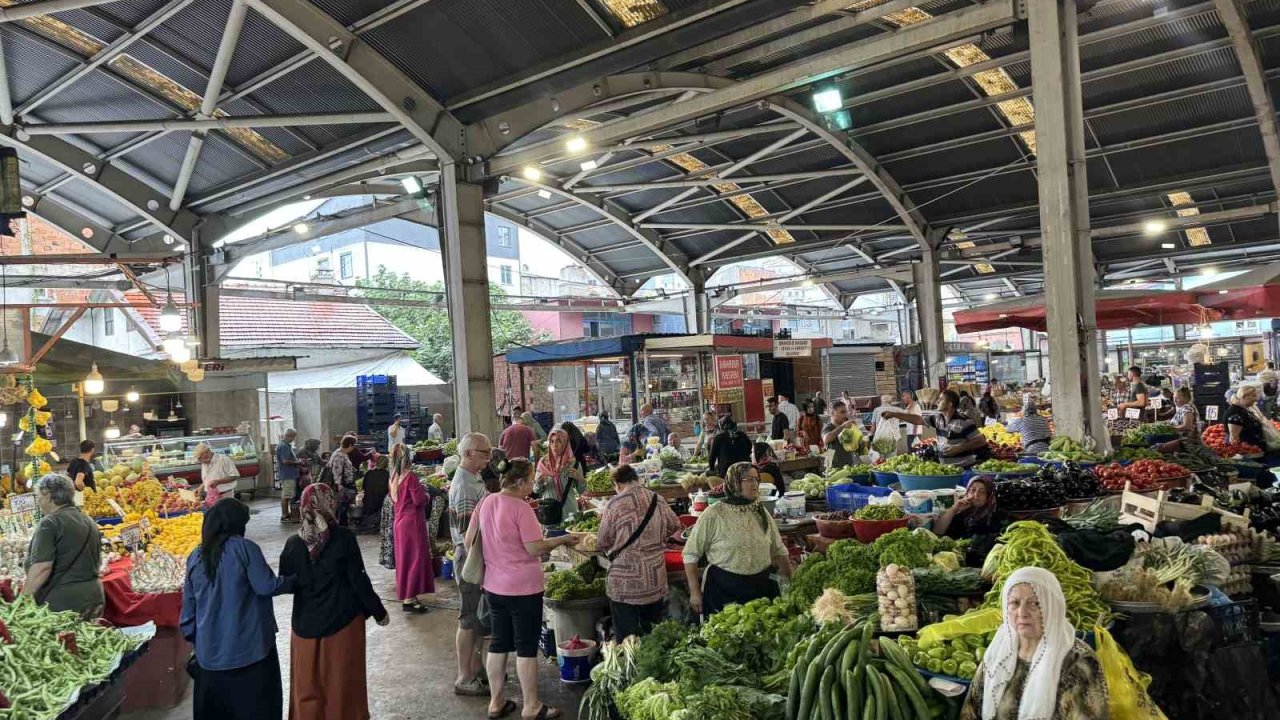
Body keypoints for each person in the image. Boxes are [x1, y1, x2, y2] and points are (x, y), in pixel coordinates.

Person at [466, 457, 580, 720]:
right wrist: (561, 539)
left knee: (499, 643)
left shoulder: (486, 501)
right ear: (519, 482)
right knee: (526, 647)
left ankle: (496, 703)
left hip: (494, 586)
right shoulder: (521, 508)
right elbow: (534, 548)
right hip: (523, 588)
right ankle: (531, 706)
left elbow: (471, 539)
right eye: (530, 480)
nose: (532, 484)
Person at [280, 484, 388, 720]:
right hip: (343, 625)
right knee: (342, 686)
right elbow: (358, 580)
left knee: (307, 687)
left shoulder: (293, 543)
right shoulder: (344, 538)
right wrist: (378, 611)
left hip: (305, 627)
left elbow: (286, 582)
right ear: (330, 503)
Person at [181, 499, 291, 720]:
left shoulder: (195, 556)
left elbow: (187, 617)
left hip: (210, 662)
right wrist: (296, 580)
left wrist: (202, 644)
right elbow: (266, 586)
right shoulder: (244, 548)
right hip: (251, 656)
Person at [960, 567, 1109, 720]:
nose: (1022, 612)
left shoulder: (1078, 662)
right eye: (1014, 603)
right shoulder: (998, 652)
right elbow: (970, 711)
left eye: (1034, 603)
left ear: (1053, 606)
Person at [683, 462, 792, 617]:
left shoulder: (760, 512)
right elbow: (690, 555)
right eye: (748, 479)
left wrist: (790, 580)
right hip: (724, 590)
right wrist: (694, 592)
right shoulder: (714, 514)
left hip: (761, 590)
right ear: (734, 482)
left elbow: (779, 550)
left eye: (756, 479)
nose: (754, 484)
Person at [597, 464, 681, 642]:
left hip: (625, 584)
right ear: (636, 478)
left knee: (628, 640)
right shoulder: (657, 499)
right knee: (652, 637)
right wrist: (657, 538)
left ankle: (630, 668)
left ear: (617, 484)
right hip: (654, 579)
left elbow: (602, 541)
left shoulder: (615, 503)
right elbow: (675, 525)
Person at [23, 473, 103, 619]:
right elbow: (97, 563)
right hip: (94, 596)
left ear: (47, 495)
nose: (39, 502)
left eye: (39, 496)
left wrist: (23, 601)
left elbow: (42, 567)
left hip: (64, 604)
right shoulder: (89, 521)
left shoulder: (50, 523)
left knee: (65, 641)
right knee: (87, 640)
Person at [450, 433, 492, 696]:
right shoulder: (464, 485)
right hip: (471, 559)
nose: (489, 458)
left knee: (477, 619)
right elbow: (469, 537)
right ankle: (464, 677)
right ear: (468, 454)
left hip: (476, 557)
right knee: (468, 619)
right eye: (484, 453)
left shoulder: (474, 478)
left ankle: (476, 668)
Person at [884, 390, 991, 468]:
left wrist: (959, 448)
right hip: (946, 469)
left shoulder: (964, 421)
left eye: (940, 400)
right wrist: (894, 414)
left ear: (949, 404)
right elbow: (918, 420)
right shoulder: (937, 418)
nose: (937, 402)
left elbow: (981, 440)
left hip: (964, 468)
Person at [389, 444, 434, 613]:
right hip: (412, 523)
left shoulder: (393, 478)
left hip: (399, 522)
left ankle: (409, 595)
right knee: (416, 559)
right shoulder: (411, 477)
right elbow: (419, 500)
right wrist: (427, 494)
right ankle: (409, 598)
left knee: (404, 560)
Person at [535, 428, 586, 527]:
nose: (555, 445)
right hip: (549, 512)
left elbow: (581, 491)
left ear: (566, 444)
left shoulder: (573, 464)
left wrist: (581, 479)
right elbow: (536, 490)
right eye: (552, 441)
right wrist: (539, 483)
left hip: (569, 512)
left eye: (559, 441)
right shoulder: (543, 464)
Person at [934, 476, 1002, 539]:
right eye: (972, 490)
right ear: (967, 493)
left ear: (989, 496)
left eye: (982, 492)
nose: (976, 495)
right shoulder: (962, 512)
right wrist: (954, 509)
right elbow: (937, 532)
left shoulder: (994, 516)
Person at [197, 443, 241, 509]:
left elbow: (235, 476)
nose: (202, 461)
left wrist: (218, 482)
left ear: (207, 453)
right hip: (211, 497)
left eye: (202, 458)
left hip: (225, 496)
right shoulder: (205, 463)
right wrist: (201, 487)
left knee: (225, 516)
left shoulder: (223, 459)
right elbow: (209, 478)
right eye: (200, 460)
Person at [326, 436, 358, 526]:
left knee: (343, 507)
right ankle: (341, 526)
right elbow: (337, 471)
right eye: (353, 446)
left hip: (344, 484)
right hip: (341, 486)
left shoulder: (342, 454)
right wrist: (338, 485)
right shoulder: (339, 455)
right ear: (350, 445)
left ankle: (342, 525)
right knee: (341, 508)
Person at [822, 400, 862, 470]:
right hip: (831, 463)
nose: (845, 414)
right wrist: (842, 426)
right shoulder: (828, 427)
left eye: (846, 412)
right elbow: (826, 439)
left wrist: (856, 430)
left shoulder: (847, 427)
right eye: (842, 412)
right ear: (832, 413)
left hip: (847, 463)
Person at [1225, 384, 1266, 449]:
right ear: (1244, 396)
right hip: (1248, 454)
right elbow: (1234, 440)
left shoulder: (1242, 410)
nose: (1256, 399)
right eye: (1253, 396)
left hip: (1254, 450)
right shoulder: (1235, 414)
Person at [276, 429, 300, 523]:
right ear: (290, 436)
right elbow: (285, 461)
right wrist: (297, 462)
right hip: (288, 474)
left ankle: (287, 513)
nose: (293, 439)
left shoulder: (285, 445)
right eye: (293, 437)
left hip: (289, 473)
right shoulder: (284, 446)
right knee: (286, 495)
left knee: (287, 494)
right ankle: (284, 515)